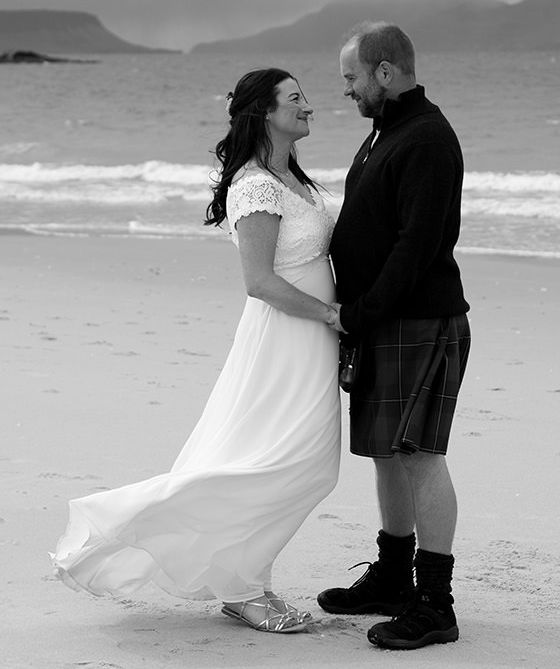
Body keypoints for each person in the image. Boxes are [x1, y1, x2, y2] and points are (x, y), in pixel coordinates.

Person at [50, 68, 342, 634]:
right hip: (284, 338)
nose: (310, 107)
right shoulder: (256, 184)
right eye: (297, 99)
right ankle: (239, 586)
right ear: (263, 112)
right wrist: (335, 315)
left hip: (309, 341)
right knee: (284, 463)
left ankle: (244, 579)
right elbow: (259, 281)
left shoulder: (294, 179)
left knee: (301, 465)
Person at [319, 22, 472, 650]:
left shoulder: (427, 137)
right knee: (386, 453)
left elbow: (418, 246)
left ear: (385, 72)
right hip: (388, 322)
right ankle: (391, 576)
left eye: (352, 78)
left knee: (419, 455)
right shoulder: (385, 131)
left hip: (422, 321)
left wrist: (360, 312)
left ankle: (436, 602)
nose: (347, 91)